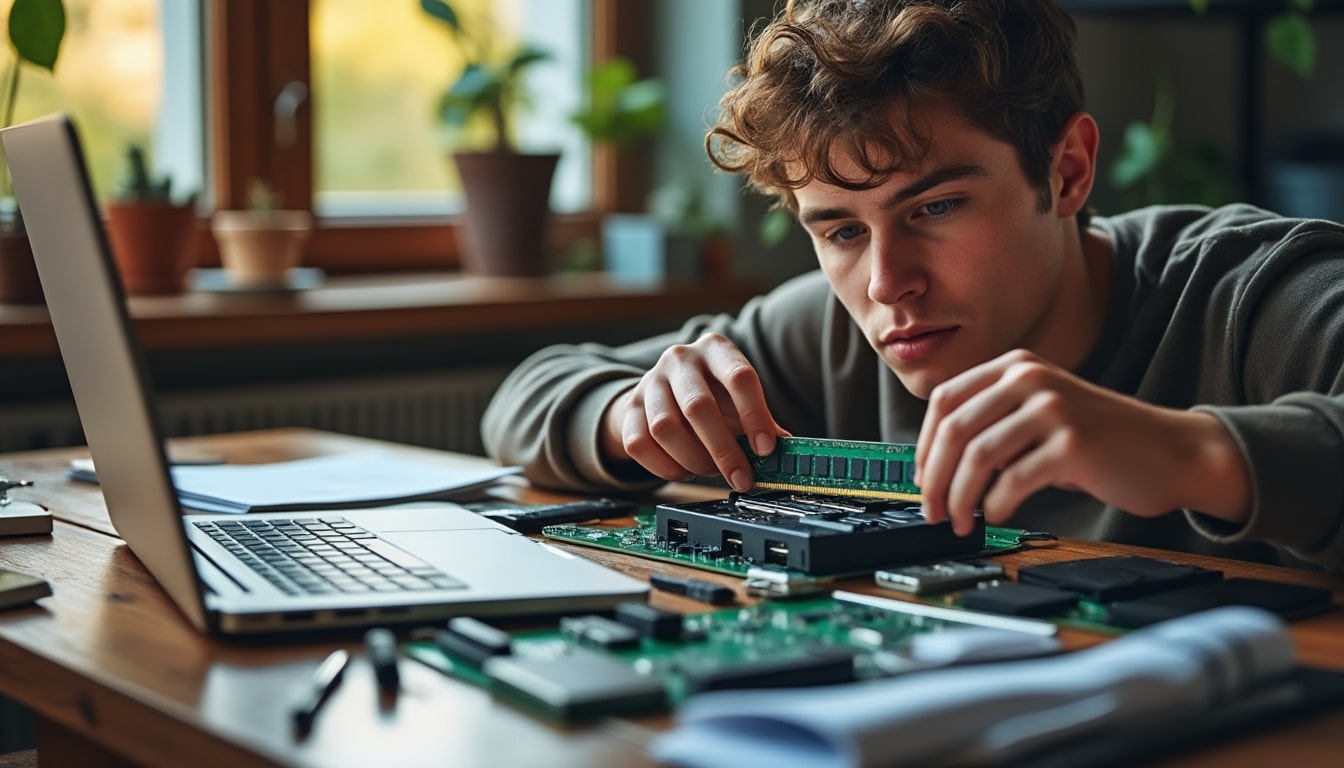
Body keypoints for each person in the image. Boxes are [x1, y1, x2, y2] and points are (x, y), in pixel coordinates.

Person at [482, 0, 1344, 572]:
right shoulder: (828, 334)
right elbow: (528, 393)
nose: (888, 285)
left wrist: (1192, 454)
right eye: (841, 231)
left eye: (935, 207)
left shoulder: (1252, 296)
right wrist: (630, 414)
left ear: (1068, 171)